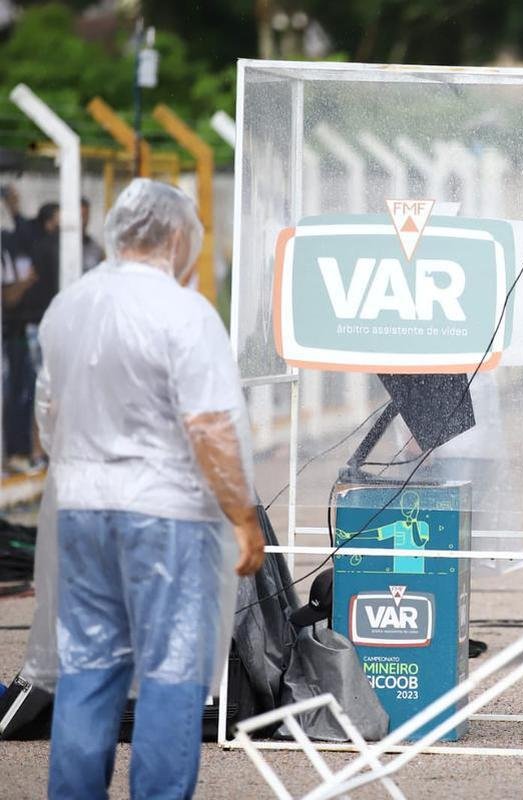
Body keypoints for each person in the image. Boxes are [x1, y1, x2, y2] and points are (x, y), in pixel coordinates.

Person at [34, 179, 265, 798]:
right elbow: (210, 428)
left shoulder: (68, 306)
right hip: (166, 515)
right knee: (171, 669)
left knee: (88, 664)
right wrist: (242, 517)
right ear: (174, 234)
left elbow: (47, 417)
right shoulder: (184, 312)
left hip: (81, 510)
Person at [3, 202, 59, 470]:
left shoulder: (34, 248)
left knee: (33, 391)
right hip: (24, 330)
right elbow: (10, 299)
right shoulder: (36, 248)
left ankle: (28, 452)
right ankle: (25, 452)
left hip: (25, 330)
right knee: (31, 390)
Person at [80, 197, 104, 272]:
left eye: (85, 216)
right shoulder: (56, 246)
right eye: (79, 216)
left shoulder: (95, 247)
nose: (82, 221)